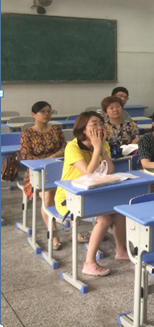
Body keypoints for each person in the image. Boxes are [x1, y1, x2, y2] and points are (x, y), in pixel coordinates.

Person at [54, 112, 128, 276]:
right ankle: (89, 263)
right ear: (82, 129)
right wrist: (97, 148)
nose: (99, 127)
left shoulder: (103, 144)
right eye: (94, 124)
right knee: (105, 218)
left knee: (119, 211)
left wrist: (101, 148)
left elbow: (109, 170)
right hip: (69, 198)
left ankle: (121, 251)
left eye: (101, 123)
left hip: (94, 194)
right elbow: (88, 172)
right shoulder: (72, 147)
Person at [20, 101, 67, 250]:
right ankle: (54, 235)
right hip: (37, 173)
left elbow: (65, 148)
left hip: (58, 170)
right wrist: (46, 161)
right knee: (48, 195)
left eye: (49, 111)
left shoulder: (56, 130)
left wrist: (52, 157)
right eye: (43, 111)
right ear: (34, 115)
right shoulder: (27, 133)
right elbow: (26, 156)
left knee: (71, 192)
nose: (47, 114)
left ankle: (75, 232)